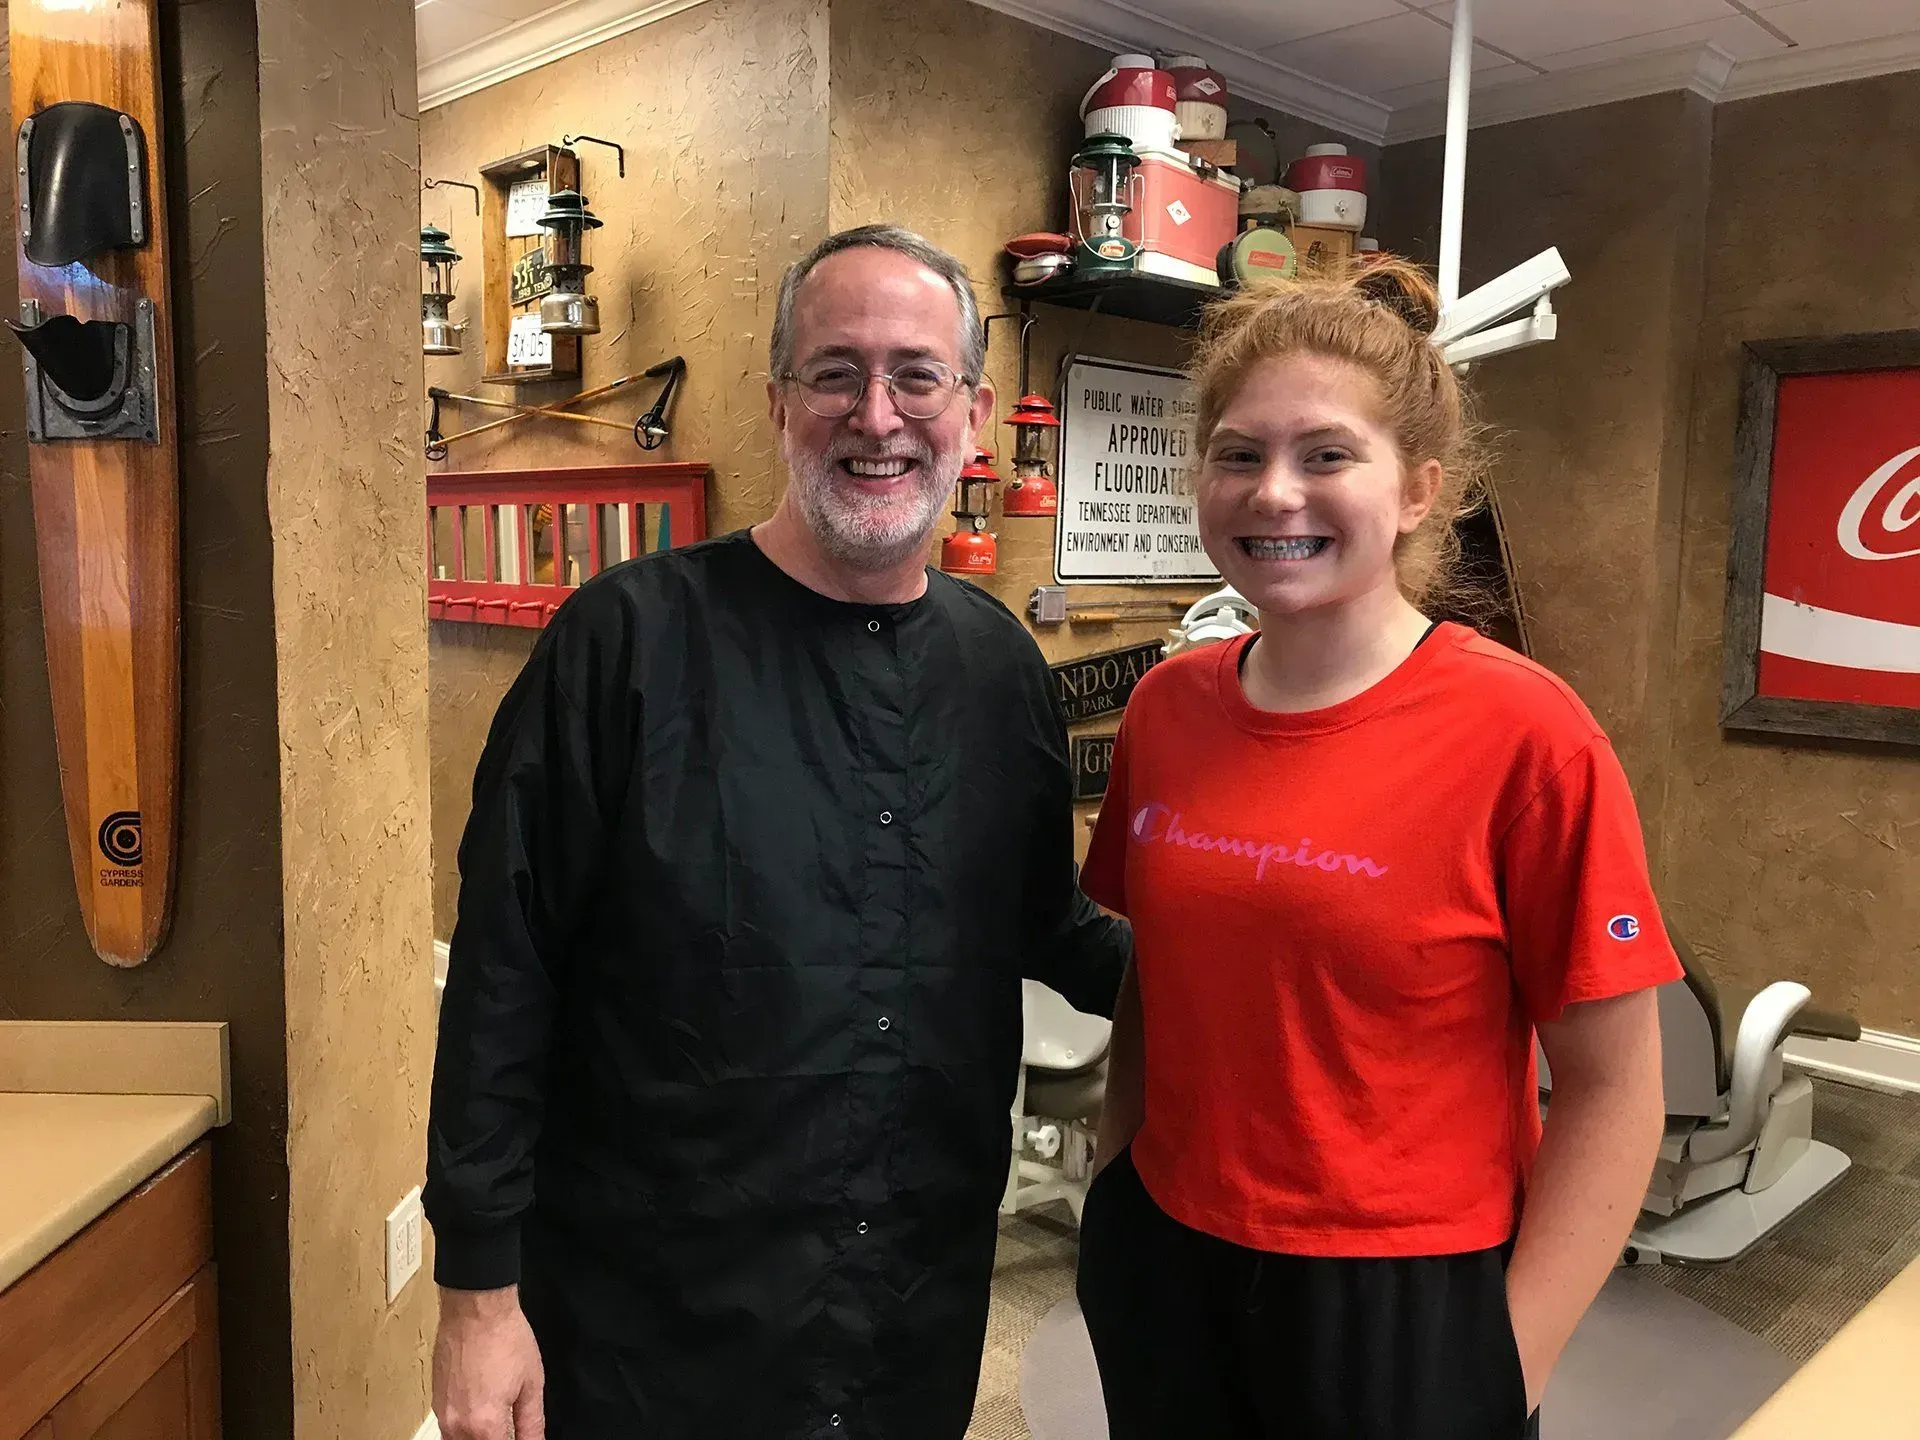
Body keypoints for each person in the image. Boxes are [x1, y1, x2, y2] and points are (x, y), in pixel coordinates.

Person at [425, 224, 1129, 1440]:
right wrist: (479, 1296)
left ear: (970, 414)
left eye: (917, 377)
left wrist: (1267, 980)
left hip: (908, 1314)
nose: (877, 416)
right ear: (777, 402)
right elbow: (503, 974)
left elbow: (1042, 924)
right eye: (835, 372)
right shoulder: (624, 644)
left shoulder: (999, 669)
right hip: (652, 1329)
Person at [1075, 258, 1680, 1440]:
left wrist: (1504, 1371)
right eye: (1239, 454)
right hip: (1170, 1259)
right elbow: (1160, 973)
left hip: (1402, 1297)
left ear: (1417, 492)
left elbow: (1615, 1091)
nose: (1274, 492)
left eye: (1327, 455)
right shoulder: (1167, 709)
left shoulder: (1527, 737)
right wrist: (1114, 1182)